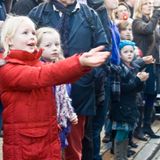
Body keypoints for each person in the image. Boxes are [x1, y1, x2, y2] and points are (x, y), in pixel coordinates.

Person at [0, 15, 110, 160]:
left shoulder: (38, 64)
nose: (32, 36)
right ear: (9, 41)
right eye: (25, 33)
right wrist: (79, 62)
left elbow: (60, 76)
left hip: (47, 140)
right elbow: (44, 75)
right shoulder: (7, 69)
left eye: (33, 32)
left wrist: (83, 65)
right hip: (24, 147)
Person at [28, 1, 111, 160]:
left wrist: (89, 76)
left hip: (81, 93)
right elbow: (25, 48)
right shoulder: (38, 13)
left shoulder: (89, 15)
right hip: (44, 94)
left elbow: (104, 48)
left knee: (79, 146)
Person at [36, 27, 78, 153]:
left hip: (60, 124)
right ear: (37, 47)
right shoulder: (36, 70)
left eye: (57, 44)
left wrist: (70, 114)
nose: (54, 48)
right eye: (48, 45)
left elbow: (65, 97)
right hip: (45, 124)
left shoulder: (62, 67)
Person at [109, 40, 149, 160]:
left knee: (126, 132)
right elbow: (122, 89)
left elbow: (137, 88)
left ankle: (123, 156)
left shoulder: (133, 67)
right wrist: (137, 80)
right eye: (125, 52)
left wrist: (142, 80)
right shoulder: (118, 69)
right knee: (121, 132)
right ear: (119, 54)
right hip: (120, 106)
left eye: (131, 51)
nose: (129, 54)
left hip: (130, 105)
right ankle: (119, 157)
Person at [132, 0, 160, 138]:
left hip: (154, 64)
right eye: (146, 3)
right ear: (139, 7)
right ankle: (138, 129)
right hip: (142, 64)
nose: (150, 5)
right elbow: (148, 29)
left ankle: (147, 126)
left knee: (151, 95)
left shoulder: (151, 22)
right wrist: (157, 12)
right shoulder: (137, 22)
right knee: (141, 97)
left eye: (151, 3)